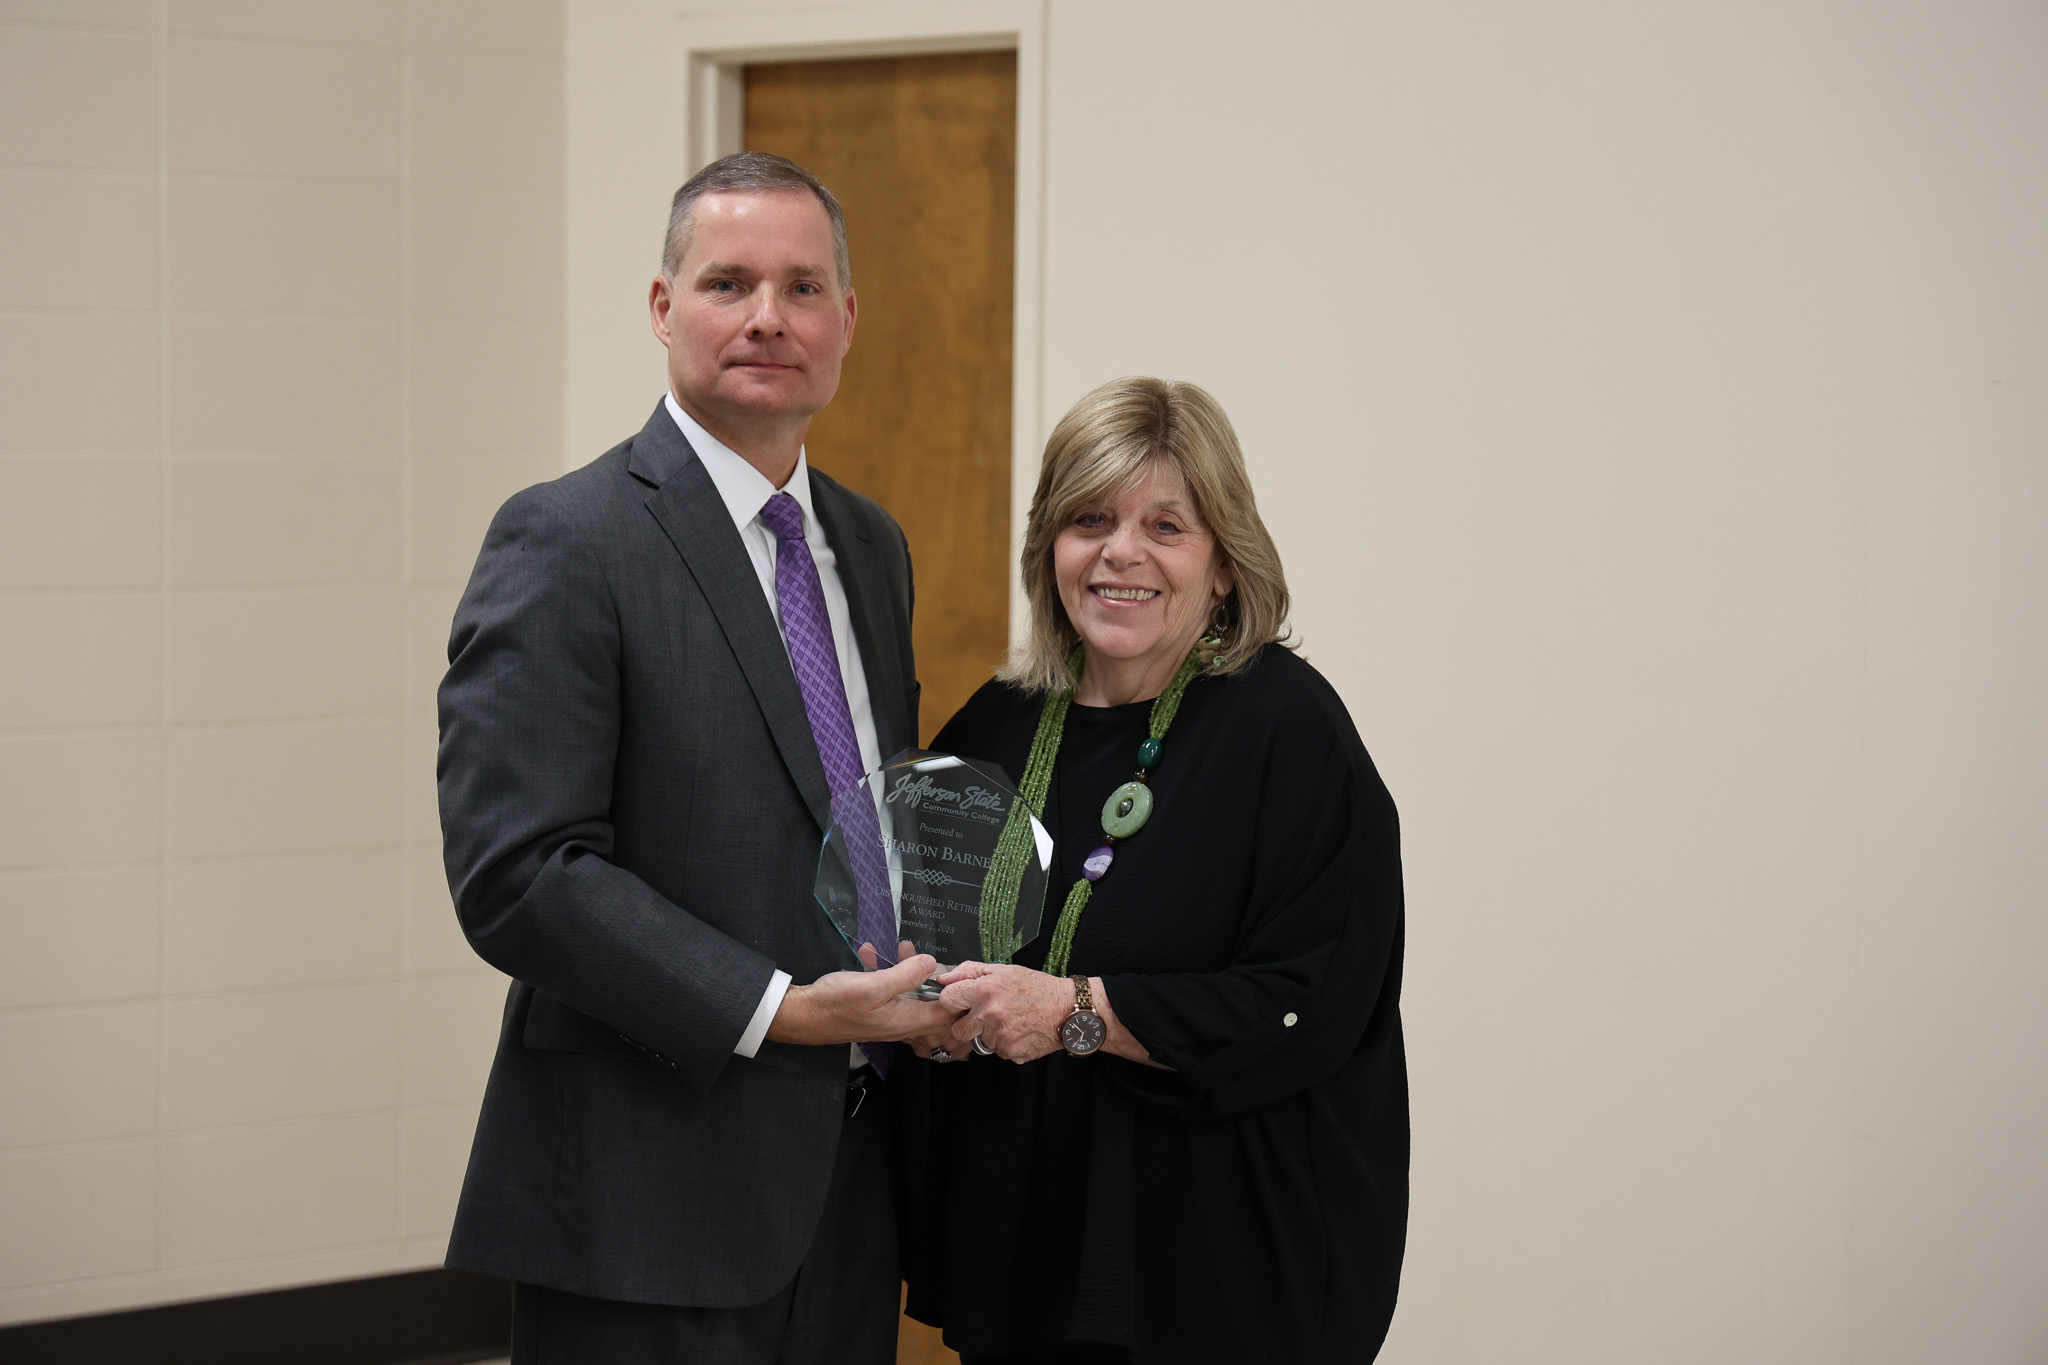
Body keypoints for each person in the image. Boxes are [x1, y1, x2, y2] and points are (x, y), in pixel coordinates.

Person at [436, 152, 957, 1364]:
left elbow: (864, 812)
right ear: (663, 307)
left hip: (850, 1184)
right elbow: (520, 872)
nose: (769, 317)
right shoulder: (566, 539)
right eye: (728, 283)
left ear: (846, 320)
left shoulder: (870, 545)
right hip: (646, 1193)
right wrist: (777, 1011)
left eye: (803, 288)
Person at [900, 377, 1409, 1364]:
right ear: (1049, 549)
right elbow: (924, 936)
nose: (1120, 552)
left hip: (1216, 1270)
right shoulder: (996, 726)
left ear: (1222, 566)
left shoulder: (1289, 731)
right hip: (1028, 1260)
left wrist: (1074, 1011)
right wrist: (923, 1005)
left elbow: (1308, 1002)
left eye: (1165, 526)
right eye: (1088, 519)